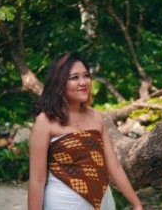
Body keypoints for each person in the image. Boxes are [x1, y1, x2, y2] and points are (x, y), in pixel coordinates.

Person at [28, 52, 143, 210]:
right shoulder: (45, 121)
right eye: (74, 77)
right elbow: (37, 180)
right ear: (59, 83)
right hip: (64, 202)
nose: (83, 82)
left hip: (104, 201)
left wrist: (136, 204)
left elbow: (114, 166)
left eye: (86, 76)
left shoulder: (96, 116)